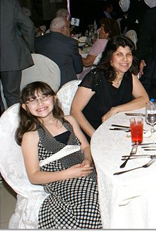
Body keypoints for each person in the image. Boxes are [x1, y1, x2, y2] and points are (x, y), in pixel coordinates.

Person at [16, 81, 102, 229]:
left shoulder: (69, 121)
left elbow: (86, 146)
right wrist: (68, 173)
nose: (40, 103)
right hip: (60, 179)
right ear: (25, 107)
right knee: (90, 207)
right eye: (33, 100)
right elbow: (34, 176)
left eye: (44, 97)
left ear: (54, 98)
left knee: (109, 196)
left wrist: (88, 159)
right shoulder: (31, 135)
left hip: (85, 170)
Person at [71, 36, 150, 141]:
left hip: (116, 132)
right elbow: (75, 111)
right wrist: (96, 136)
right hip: (92, 134)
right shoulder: (96, 77)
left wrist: (116, 110)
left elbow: (144, 99)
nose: (125, 59)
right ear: (110, 57)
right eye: (119, 54)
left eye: (128, 54)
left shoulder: (129, 76)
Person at [0, 0, 35, 109]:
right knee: (12, 95)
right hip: (10, 54)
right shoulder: (9, 2)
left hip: (10, 54)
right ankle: (16, 124)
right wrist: (27, 47)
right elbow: (28, 26)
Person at [34, 16, 83, 87]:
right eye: (69, 27)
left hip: (44, 82)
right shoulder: (70, 43)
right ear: (64, 28)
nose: (70, 30)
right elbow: (78, 68)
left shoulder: (38, 40)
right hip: (64, 83)